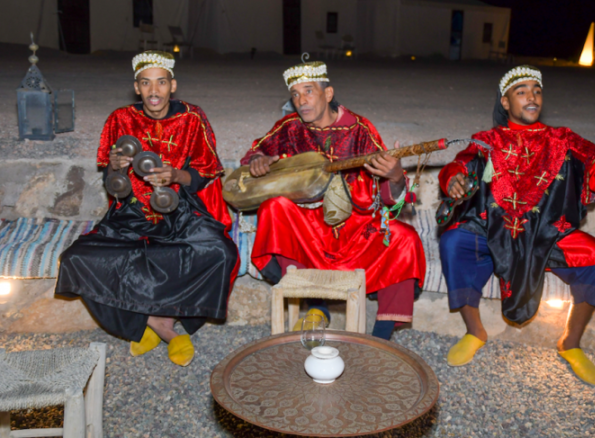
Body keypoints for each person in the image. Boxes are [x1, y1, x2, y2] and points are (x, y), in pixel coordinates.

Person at [438, 65, 595, 385]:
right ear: (506, 103)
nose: (532, 97)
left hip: (548, 233)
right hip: (494, 230)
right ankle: (475, 331)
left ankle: (571, 343)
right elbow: (460, 163)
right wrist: (453, 179)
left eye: (537, 91)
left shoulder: (562, 139)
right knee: (453, 242)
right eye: (521, 91)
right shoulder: (487, 141)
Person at [56, 51, 239, 366]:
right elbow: (113, 182)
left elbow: (206, 172)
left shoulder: (192, 118)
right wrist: (114, 168)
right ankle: (156, 324)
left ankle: (161, 320)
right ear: (137, 88)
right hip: (131, 214)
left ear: (172, 86)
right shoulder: (120, 119)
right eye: (146, 83)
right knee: (75, 259)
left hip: (179, 211)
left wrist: (175, 175)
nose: (154, 91)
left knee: (223, 253)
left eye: (161, 83)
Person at [241, 60, 426, 340]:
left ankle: (381, 337)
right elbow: (255, 152)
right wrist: (259, 161)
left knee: (405, 238)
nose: (301, 101)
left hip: (354, 226)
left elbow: (387, 194)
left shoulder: (361, 129)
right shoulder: (289, 127)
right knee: (274, 207)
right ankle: (315, 303)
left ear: (328, 94)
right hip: (307, 227)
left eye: (308, 91)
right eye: (295, 94)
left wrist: (396, 175)